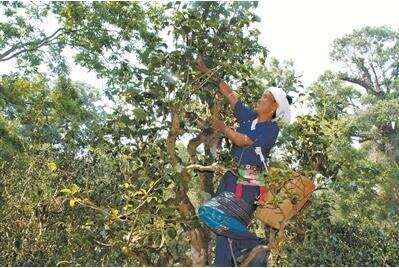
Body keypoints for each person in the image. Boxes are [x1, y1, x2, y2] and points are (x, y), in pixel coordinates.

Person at [195, 57, 292, 266]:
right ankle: (231, 259)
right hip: (231, 175)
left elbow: (242, 140)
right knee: (224, 230)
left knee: (212, 212)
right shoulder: (249, 118)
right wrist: (207, 71)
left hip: (250, 178)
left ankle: (253, 242)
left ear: (274, 106)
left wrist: (223, 128)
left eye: (265, 97)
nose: (260, 99)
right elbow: (230, 95)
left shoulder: (271, 129)